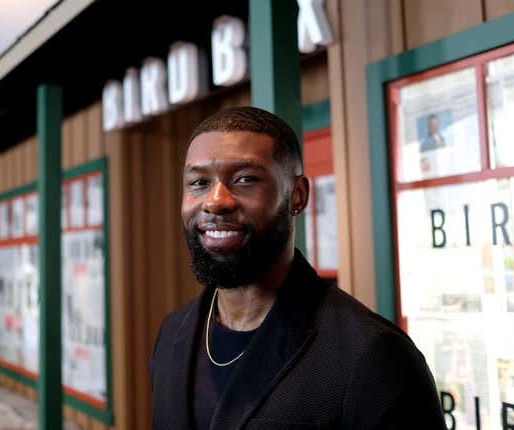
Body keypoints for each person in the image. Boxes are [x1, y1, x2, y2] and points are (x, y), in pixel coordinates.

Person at [150, 106, 446, 429]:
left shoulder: (375, 359)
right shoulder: (171, 334)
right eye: (199, 182)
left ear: (298, 195)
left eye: (245, 179)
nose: (215, 200)